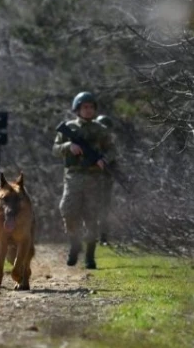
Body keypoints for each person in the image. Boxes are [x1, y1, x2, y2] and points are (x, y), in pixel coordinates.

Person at [52, 92, 116, 269]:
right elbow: (55, 149)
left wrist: (104, 160)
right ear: (77, 109)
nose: (88, 110)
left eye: (91, 107)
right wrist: (68, 146)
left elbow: (112, 150)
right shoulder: (69, 127)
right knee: (68, 210)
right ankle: (74, 243)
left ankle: (90, 256)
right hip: (73, 176)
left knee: (91, 217)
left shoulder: (101, 130)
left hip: (94, 178)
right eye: (84, 107)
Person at [95, 114, 116, 246]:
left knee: (104, 209)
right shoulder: (91, 142)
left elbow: (112, 156)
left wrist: (104, 160)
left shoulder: (109, 145)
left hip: (105, 180)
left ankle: (103, 236)